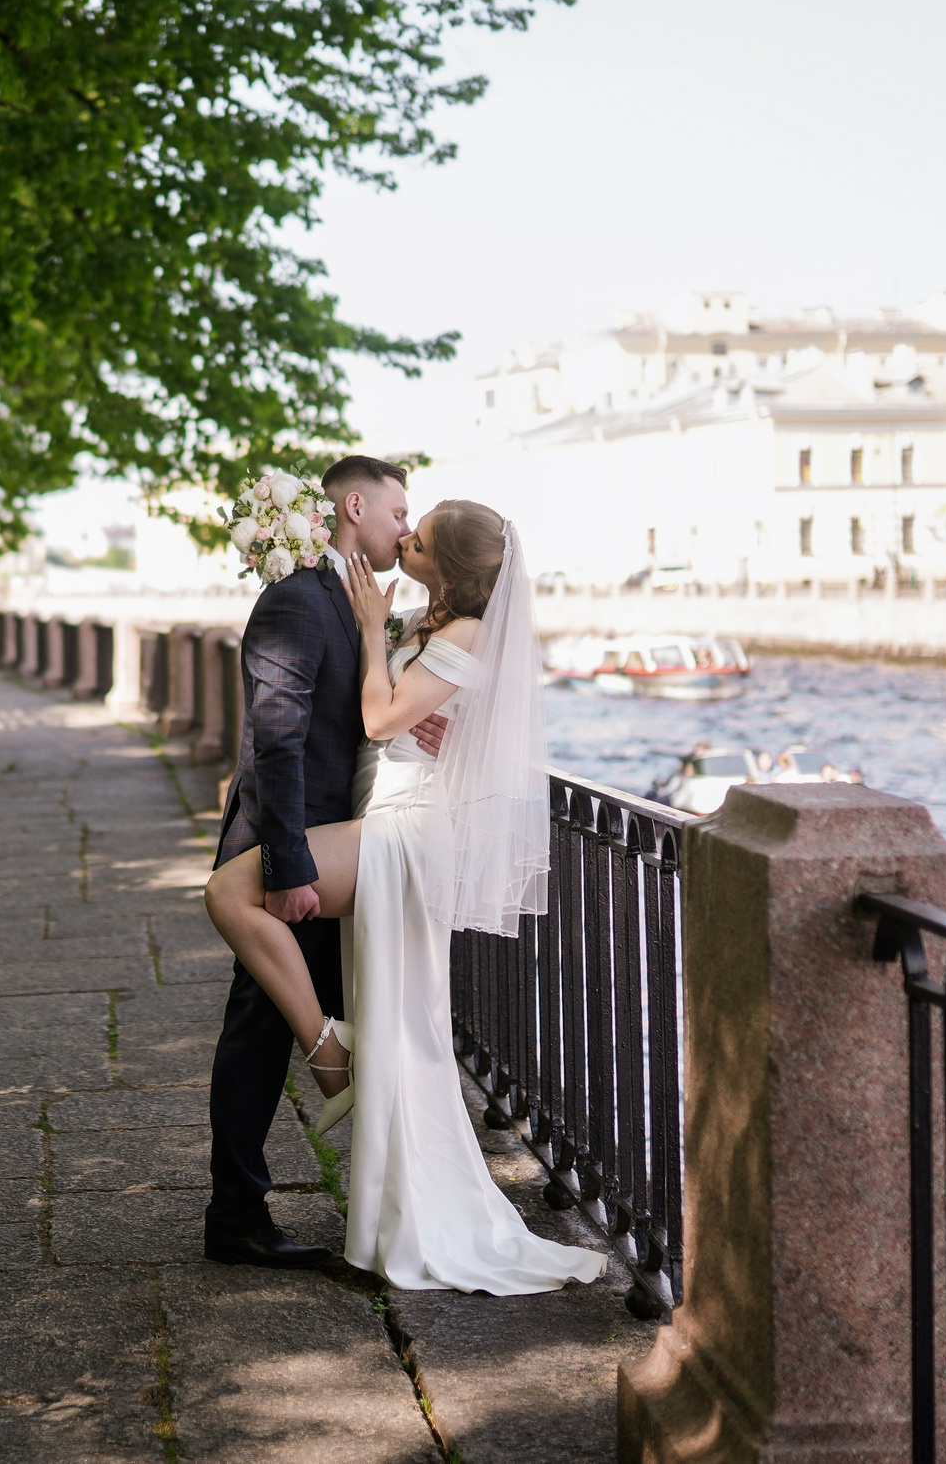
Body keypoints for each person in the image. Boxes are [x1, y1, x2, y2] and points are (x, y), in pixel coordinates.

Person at [204, 498, 608, 1294]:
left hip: (408, 830)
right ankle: (361, 1099)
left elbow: (382, 713)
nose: (404, 540)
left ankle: (329, 1054)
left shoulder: (466, 632)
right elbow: (397, 715)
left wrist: (368, 632)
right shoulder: (436, 621)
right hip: (387, 817)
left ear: (448, 566)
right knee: (404, 1016)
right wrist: (390, 654)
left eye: (417, 538)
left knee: (231, 891)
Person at [202, 455, 439, 1269]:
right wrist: (289, 867)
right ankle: (237, 1214)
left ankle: (358, 1204)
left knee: (285, 1022)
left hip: (324, 847)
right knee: (260, 1029)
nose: (406, 528)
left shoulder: (353, 597)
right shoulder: (300, 598)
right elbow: (278, 737)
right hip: (286, 848)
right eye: (399, 511)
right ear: (354, 505)